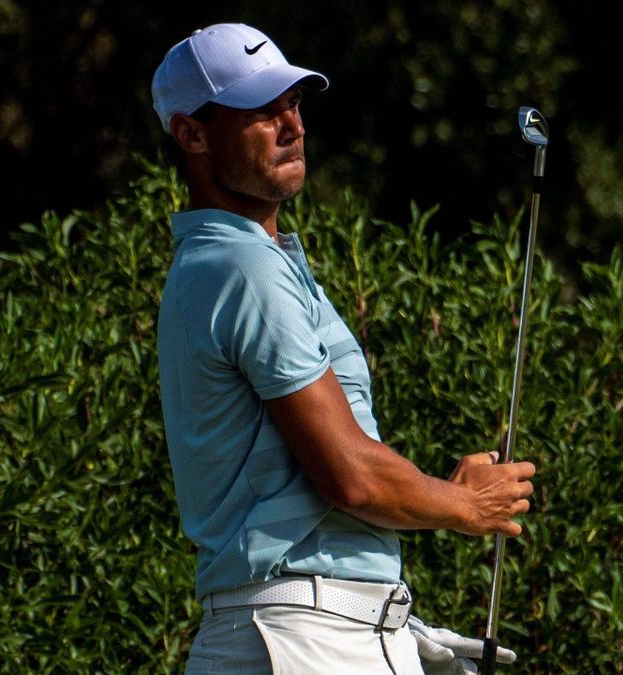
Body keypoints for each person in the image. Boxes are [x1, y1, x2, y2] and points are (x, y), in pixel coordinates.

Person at [151, 23, 535, 674]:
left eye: (293, 103)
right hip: (301, 633)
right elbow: (350, 476)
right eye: (261, 111)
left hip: (313, 628)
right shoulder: (242, 266)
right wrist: (466, 503)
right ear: (191, 134)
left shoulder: (240, 261)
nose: (292, 126)